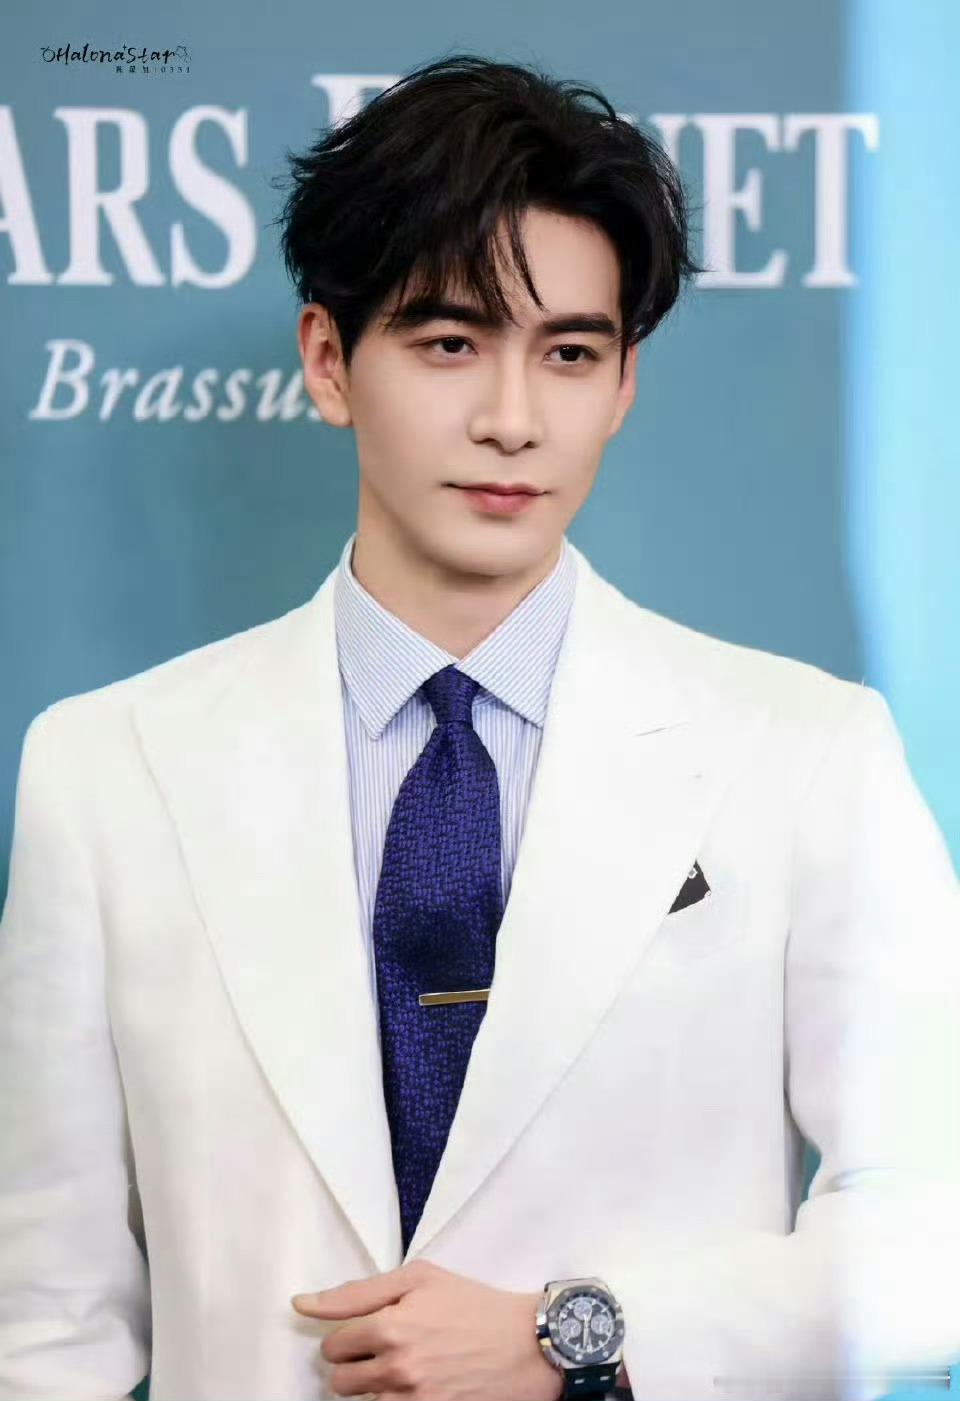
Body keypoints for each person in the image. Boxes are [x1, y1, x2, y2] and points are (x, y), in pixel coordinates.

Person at [1, 50, 959, 1401]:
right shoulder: (106, 770)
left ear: (622, 387)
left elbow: (935, 1227)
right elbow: (46, 1322)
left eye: (569, 353)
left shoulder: (806, 753)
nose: (513, 420)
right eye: (449, 343)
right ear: (329, 362)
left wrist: (585, 1335)